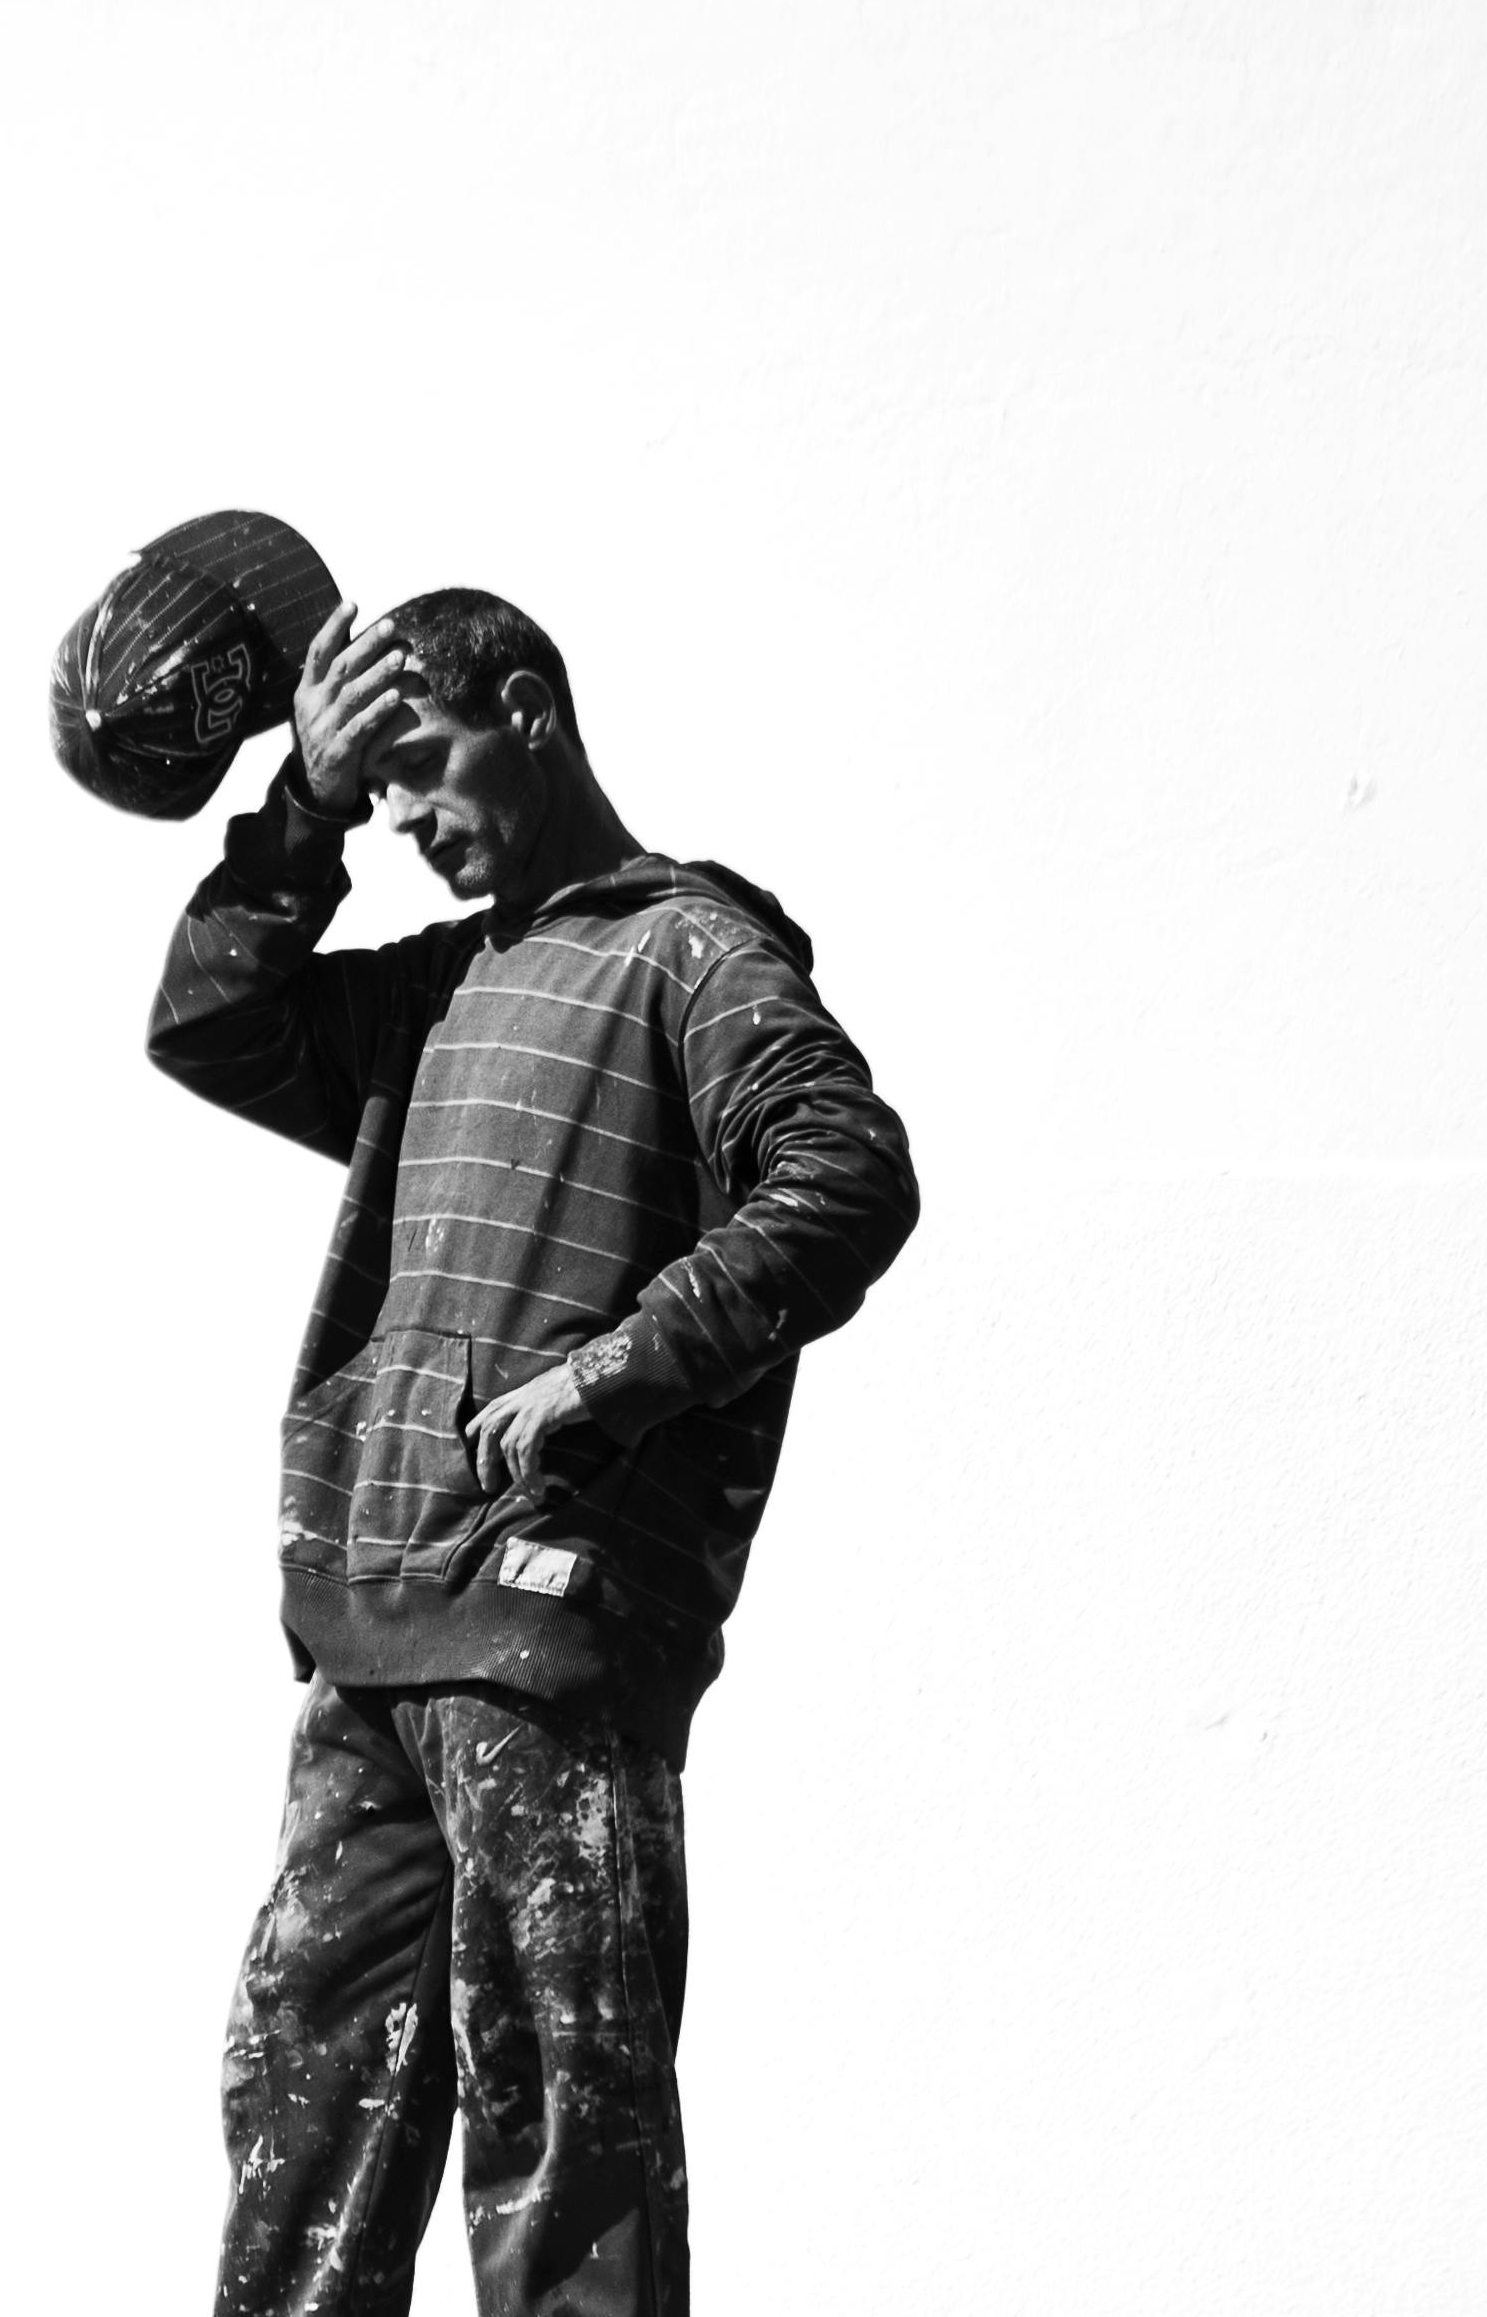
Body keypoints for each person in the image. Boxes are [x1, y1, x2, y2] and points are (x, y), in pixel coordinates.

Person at [149, 587, 920, 2317]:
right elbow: (209, 1025)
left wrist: (612, 1378)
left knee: (566, 2138)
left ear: (530, 712)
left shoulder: (689, 950)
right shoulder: (432, 993)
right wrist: (303, 812)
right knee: (300, 2132)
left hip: (555, 1637)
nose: (408, 820)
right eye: (383, 791)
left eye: (419, 767)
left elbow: (846, 1178)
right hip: (372, 1628)